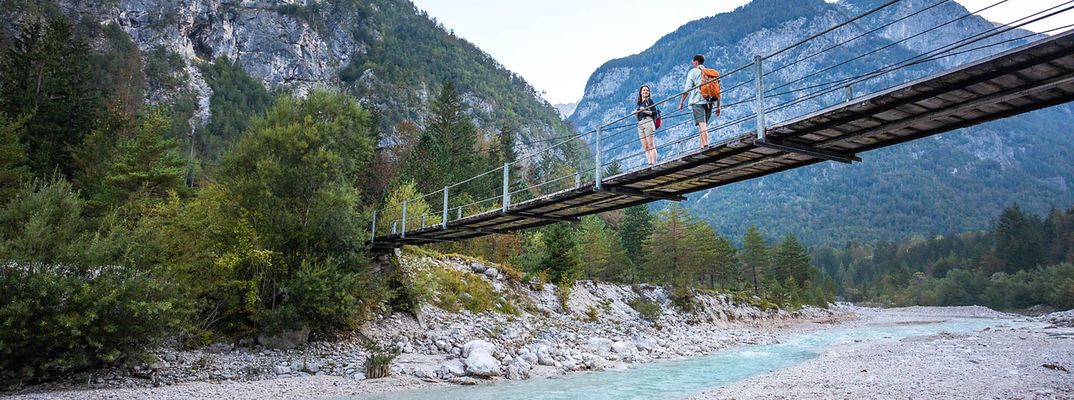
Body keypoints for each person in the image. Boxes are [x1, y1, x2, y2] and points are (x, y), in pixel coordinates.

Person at [677, 54, 719, 148]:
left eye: (693, 62)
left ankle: (706, 145)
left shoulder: (693, 72)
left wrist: (681, 103)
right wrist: (718, 106)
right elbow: (717, 89)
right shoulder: (709, 72)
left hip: (697, 102)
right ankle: (702, 146)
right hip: (709, 101)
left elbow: (687, 89)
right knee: (703, 125)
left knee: (702, 126)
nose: (692, 64)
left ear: (696, 62)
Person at [634, 85, 659, 165]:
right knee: (645, 147)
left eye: (647, 90)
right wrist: (636, 114)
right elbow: (638, 117)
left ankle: (653, 163)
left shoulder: (649, 101)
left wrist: (645, 111)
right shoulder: (639, 104)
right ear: (641, 92)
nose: (646, 91)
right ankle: (649, 163)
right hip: (640, 123)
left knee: (651, 145)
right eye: (644, 90)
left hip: (648, 121)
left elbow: (654, 113)